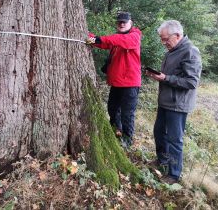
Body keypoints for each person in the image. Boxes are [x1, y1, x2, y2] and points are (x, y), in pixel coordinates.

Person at [146, 20, 202, 184]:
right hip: (165, 101)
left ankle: (174, 174)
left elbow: (192, 82)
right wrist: (159, 76)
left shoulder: (190, 51)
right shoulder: (172, 50)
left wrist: (165, 78)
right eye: (161, 39)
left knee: (174, 139)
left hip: (178, 105)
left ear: (177, 35)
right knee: (159, 132)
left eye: (165, 39)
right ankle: (162, 161)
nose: (163, 43)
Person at [86, 12, 142, 147]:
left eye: (124, 22)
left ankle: (127, 140)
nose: (121, 24)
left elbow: (116, 40)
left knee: (127, 114)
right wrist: (89, 36)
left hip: (130, 84)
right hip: (116, 83)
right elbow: (103, 43)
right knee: (112, 109)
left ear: (131, 23)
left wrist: (99, 39)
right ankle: (115, 132)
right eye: (119, 22)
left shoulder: (134, 36)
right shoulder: (117, 39)